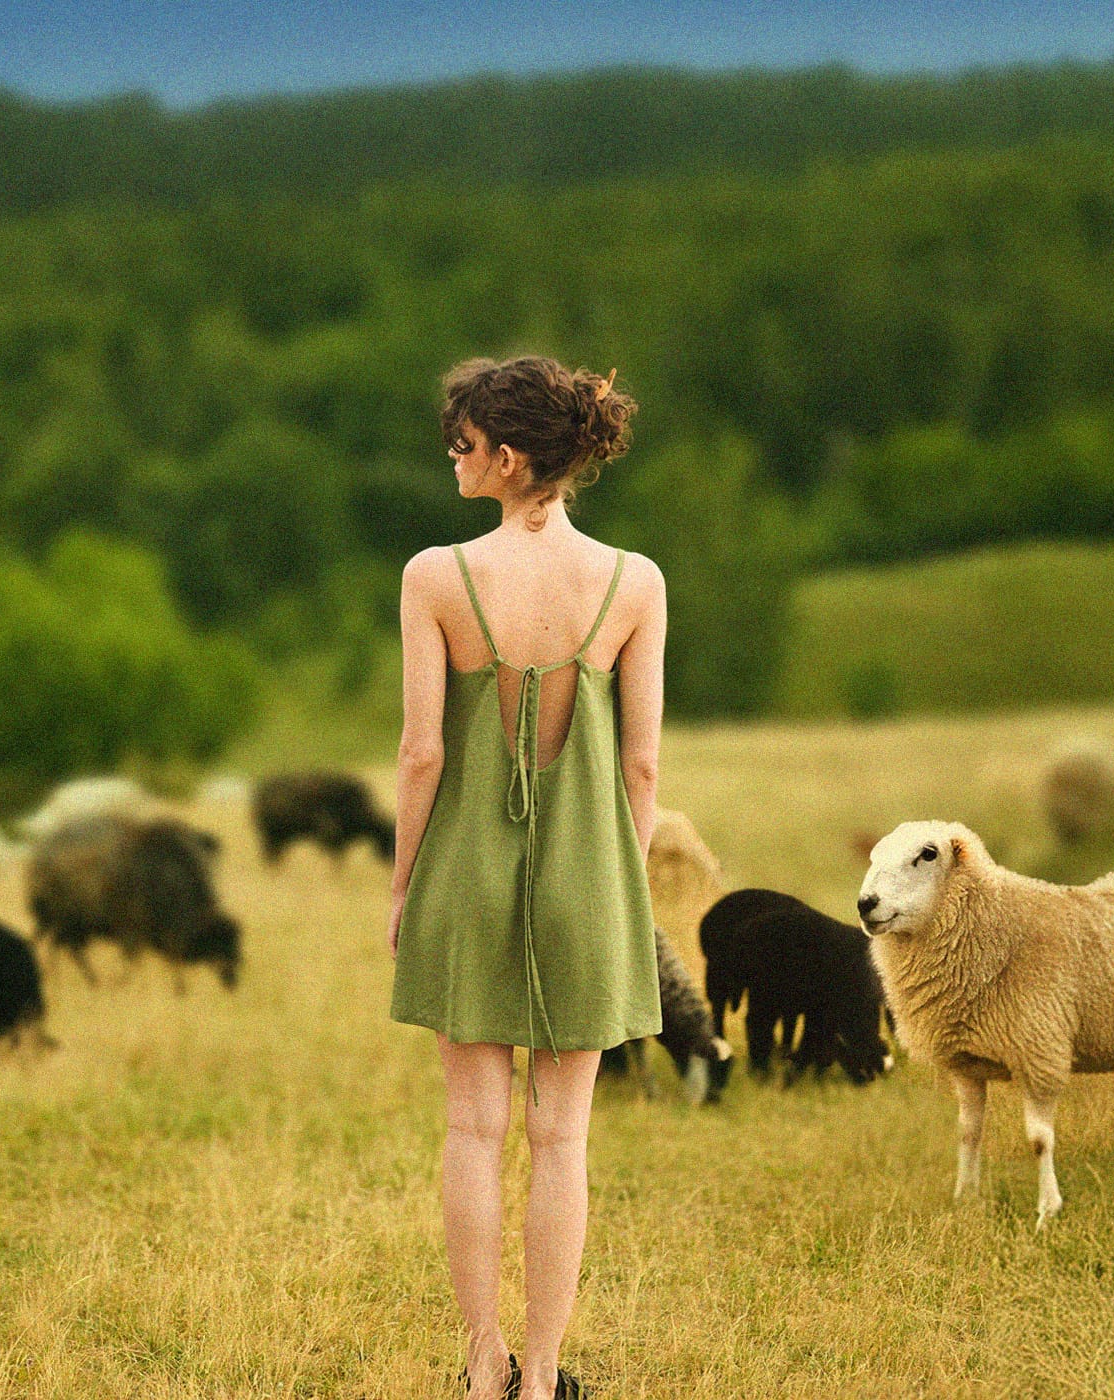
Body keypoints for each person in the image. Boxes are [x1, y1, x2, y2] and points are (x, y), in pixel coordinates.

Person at [388, 355, 664, 1400]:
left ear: (507, 458)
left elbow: (422, 753)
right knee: (563, 1136)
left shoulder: (434, 577)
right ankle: (541, 1376)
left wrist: (401, 886)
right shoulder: (635, 582)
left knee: (473, 1128)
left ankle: (482, 1363)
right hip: (589, 879)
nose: (453, 461)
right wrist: (622, 886)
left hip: (466, 872)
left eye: (462, 446)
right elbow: (642, 766)